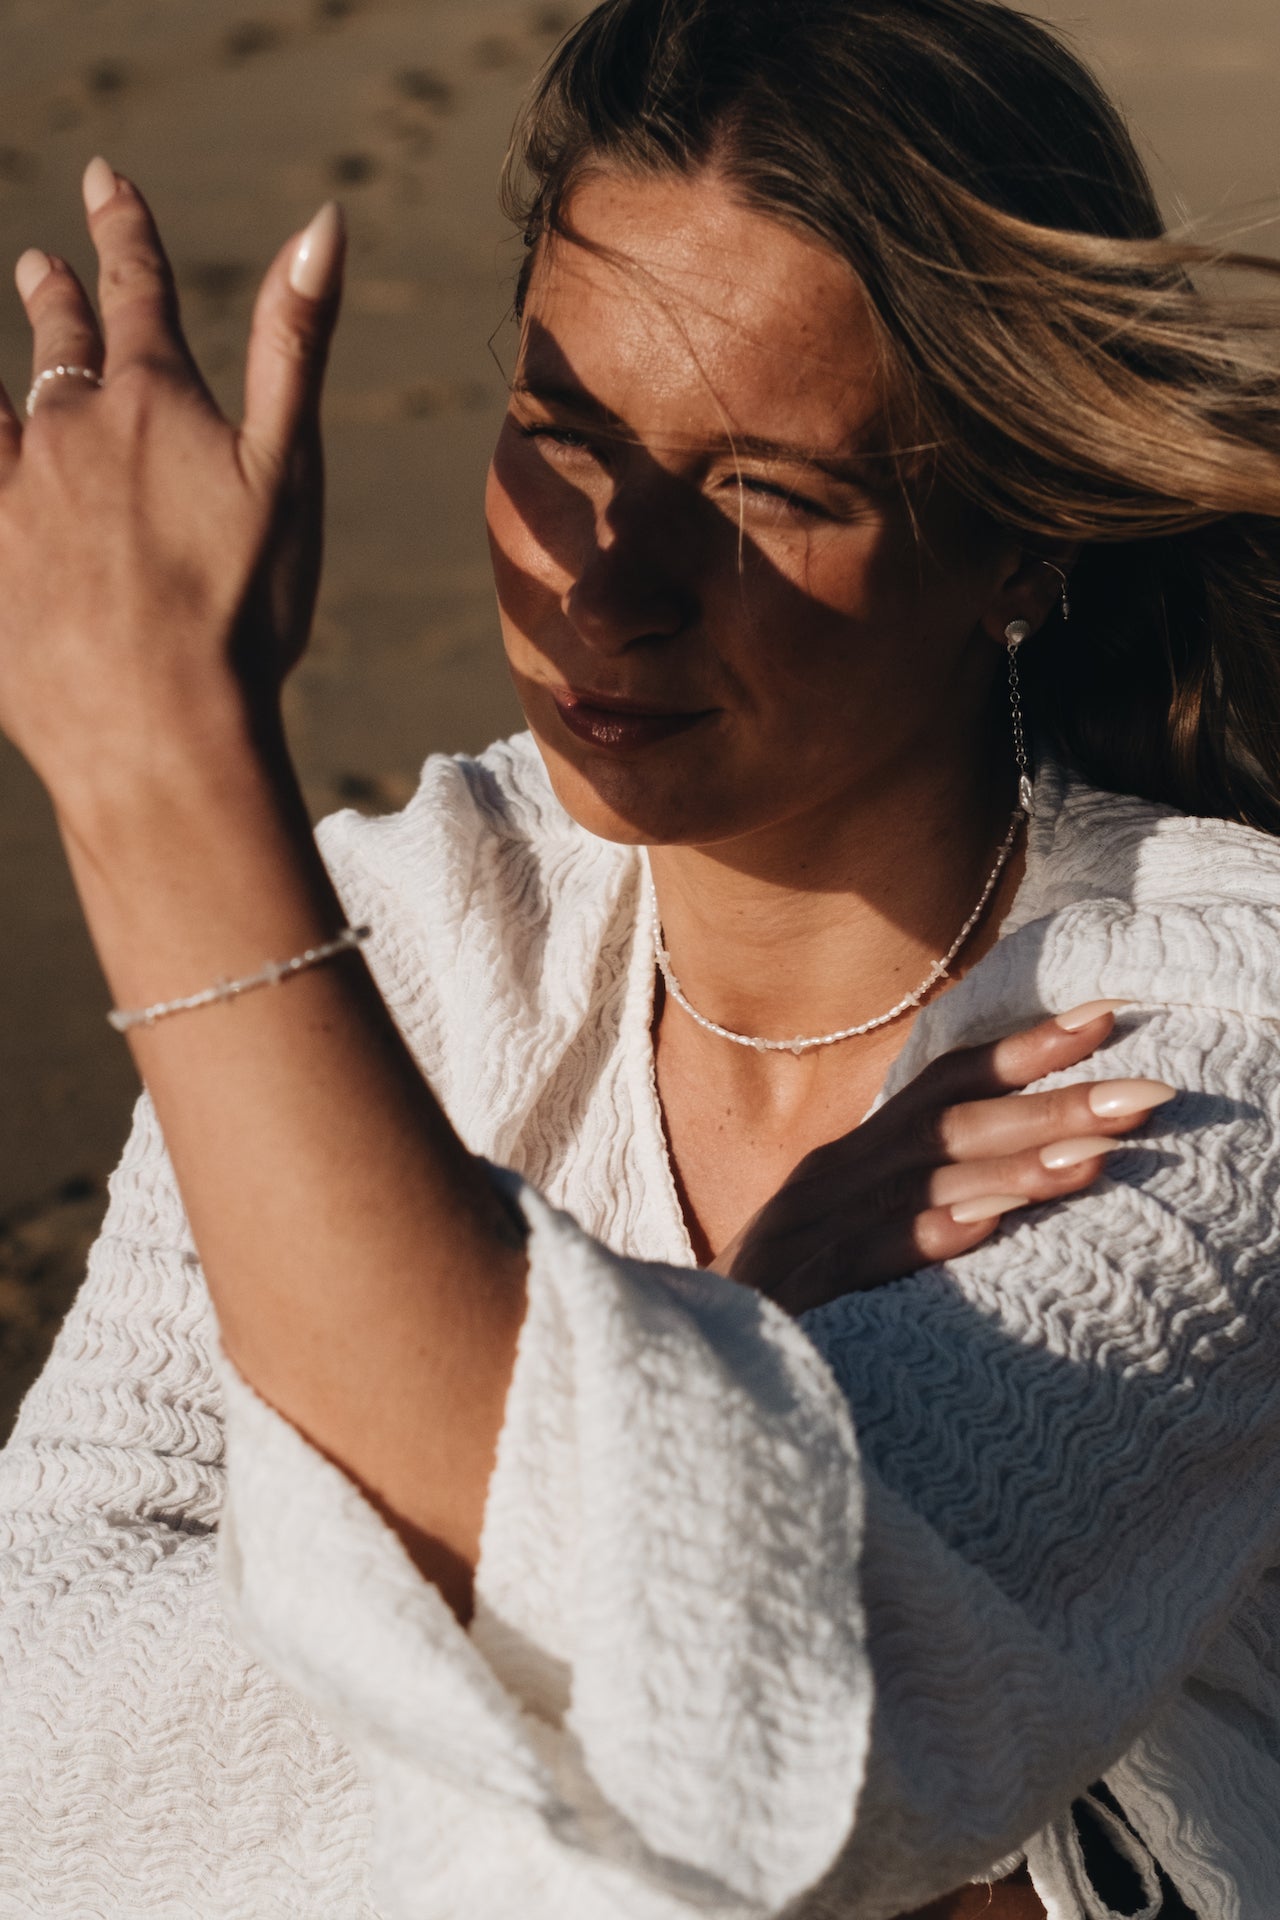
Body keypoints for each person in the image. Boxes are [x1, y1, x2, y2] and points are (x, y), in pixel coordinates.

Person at [1, 0, 1279, 1912]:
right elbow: (40, 1743)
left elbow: (772, 1762)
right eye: (563, 432)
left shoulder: (1202, 1044)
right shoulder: (410, 939)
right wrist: (737, 1343)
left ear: (1017, 546)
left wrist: (166, 781)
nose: (614, 578)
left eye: (771, 489)